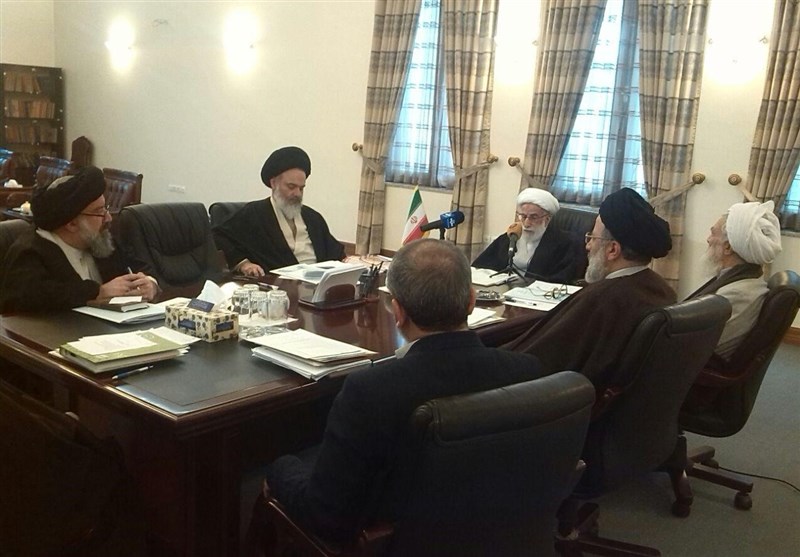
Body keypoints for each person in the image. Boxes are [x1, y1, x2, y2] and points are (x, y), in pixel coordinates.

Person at [247, 238, 543, 550]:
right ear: (471, 301)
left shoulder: (369, 391)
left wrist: (279, 468)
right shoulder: (527, 371)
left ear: (397, 312)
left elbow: (327, 518)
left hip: (399, 542)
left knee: (281, 472)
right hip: (497, 534)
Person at [504, 188, 676, 393]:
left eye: (592, 238)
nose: (587, 246)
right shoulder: (662, 289)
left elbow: (542, 359)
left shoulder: (603, 299)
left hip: (546, 398)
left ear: (612, 250)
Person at [0, 166, 158, 313]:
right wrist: (97, 292)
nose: (108, 218)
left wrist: (150, 284)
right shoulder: (29, 252)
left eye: (106, 208)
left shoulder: (100, 239)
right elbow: (32, 299)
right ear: (71, 224)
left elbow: (140, 266)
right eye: (99, 212)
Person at [212, 146, 345, 277]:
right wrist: (243, 264)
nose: (297, 194)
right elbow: (218, 235)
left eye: (301, 188)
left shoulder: (313, 218)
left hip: (319, 283)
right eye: (291, 187)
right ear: (274, 183)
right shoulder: (254, 214)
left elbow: (335, 253)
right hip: (279, 286)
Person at [687, 200, 782, 360]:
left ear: (728, 247)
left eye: (713, 233)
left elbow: (696, 347)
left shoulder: (738, 294)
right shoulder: (747, 279)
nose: (708, 239)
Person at [472, 187, 580, 283]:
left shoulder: (565, 244)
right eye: (523, 216)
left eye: (533, 217)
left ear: (547, 219)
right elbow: (479, 267)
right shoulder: (511, 236)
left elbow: (561, 280)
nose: (527, 224)